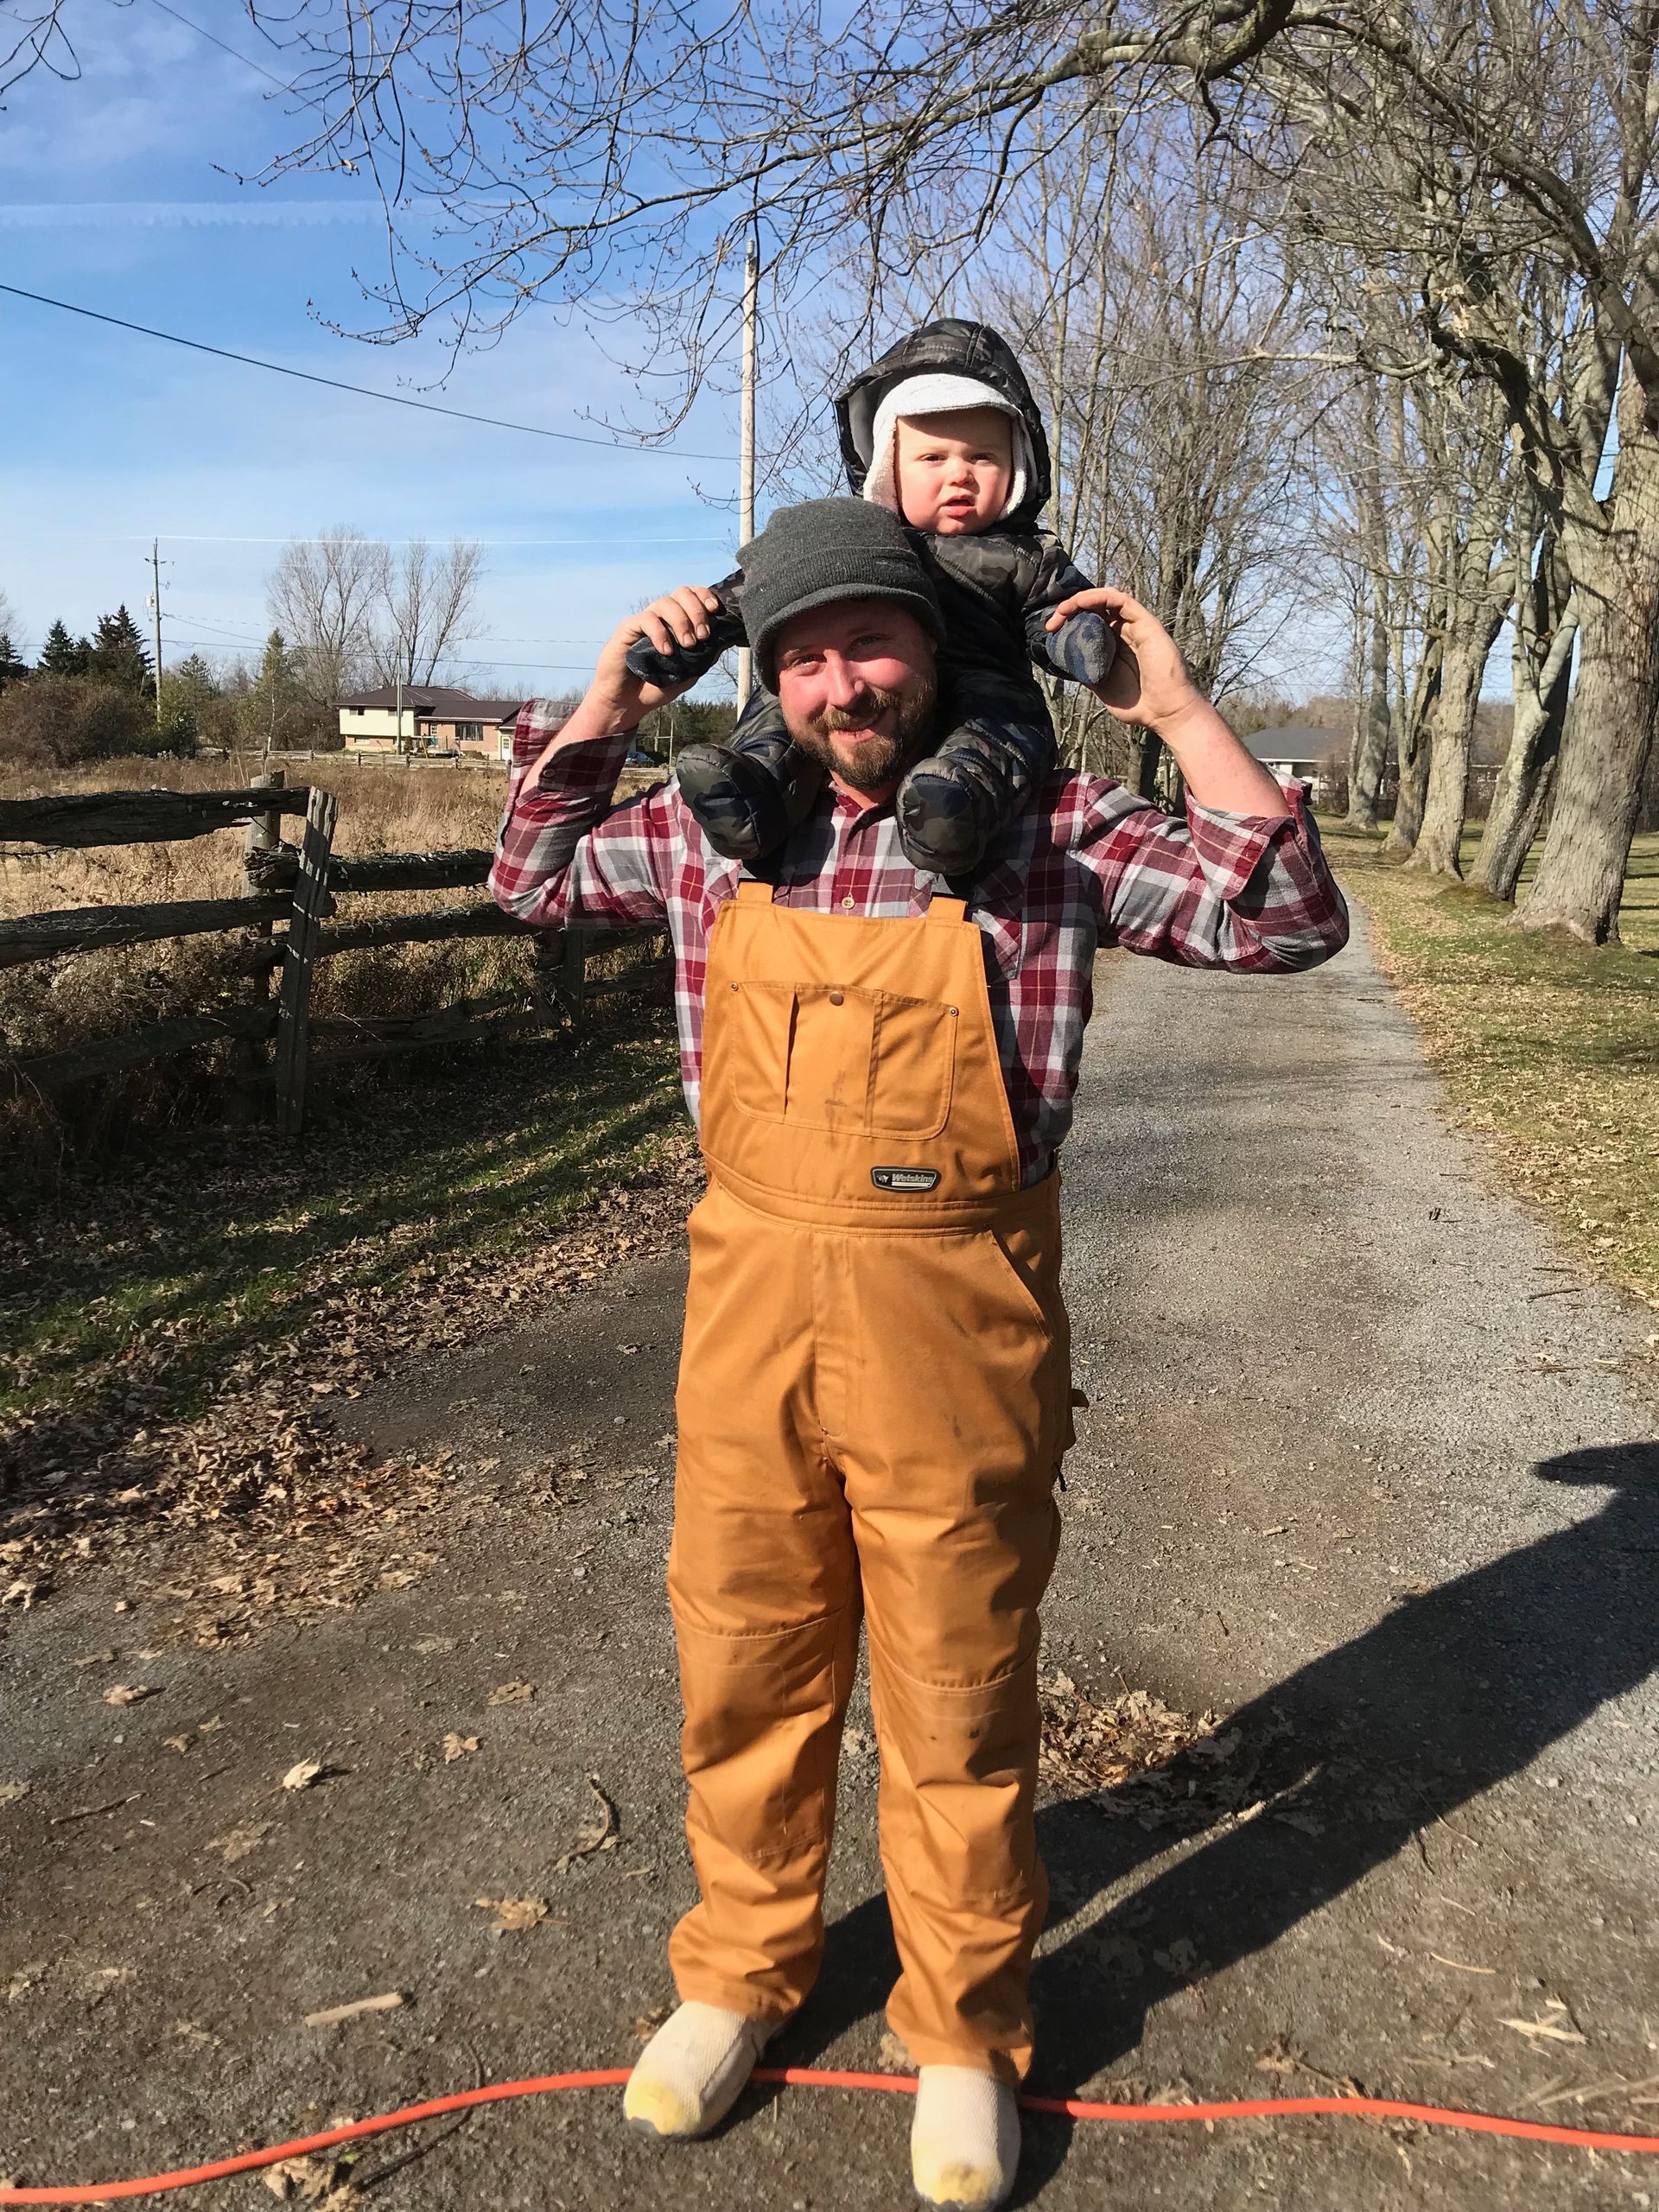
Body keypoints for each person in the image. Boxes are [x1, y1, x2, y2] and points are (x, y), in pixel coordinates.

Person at [489, 498, 1349, 2209]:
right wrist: (602, 701)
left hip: (958, 1333)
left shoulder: (1044, 833)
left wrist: (1174, 709)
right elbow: (524, 876)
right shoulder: (711, 833)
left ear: (931, 653)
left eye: (868, 644)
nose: (838, 682)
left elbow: (1289, 914)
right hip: (749, 1327)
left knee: (956, 1696)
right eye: (801, 656)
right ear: (771, 678)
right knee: (745, 1663)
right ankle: (739, 1974)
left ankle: (962, 2025)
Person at [626, 319, 1116, 876]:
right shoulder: (857, 544)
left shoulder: (1028, 557)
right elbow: (763, 589)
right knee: (785, 702)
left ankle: (956, 810)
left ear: (1017, 468)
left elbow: (1055, 611)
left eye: (983, 457)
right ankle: (754, 790)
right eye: (933, 458)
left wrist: (1082, 638)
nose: (961, 476)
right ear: (889, 469)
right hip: (867, 704)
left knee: (1001, 727)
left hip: (984, 682)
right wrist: (689, 634)